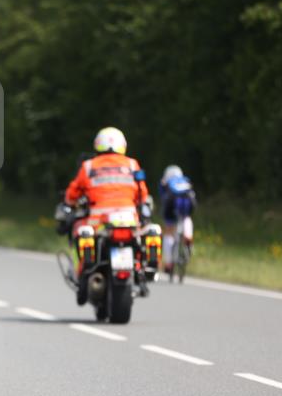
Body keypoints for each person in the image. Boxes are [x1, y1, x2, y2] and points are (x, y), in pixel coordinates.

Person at [62, 127, 151, 301]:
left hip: (99, 223)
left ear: (97, 145)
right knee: (140, 239)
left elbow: (72, 194)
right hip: (129, 220)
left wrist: (70, 203)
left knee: (78, 232)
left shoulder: (88, 166)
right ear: (123, 145)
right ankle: (140, 268)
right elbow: (143, 195)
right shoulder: (132, 164)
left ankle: (82, 273)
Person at [159, 165, 196, 273]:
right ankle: (188, 236)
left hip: (171, 208)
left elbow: (162, 197)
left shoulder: (165, 182)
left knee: (169, 233)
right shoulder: (185, 180)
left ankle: (169, 263)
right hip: (186, 206)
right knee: (187, 218)